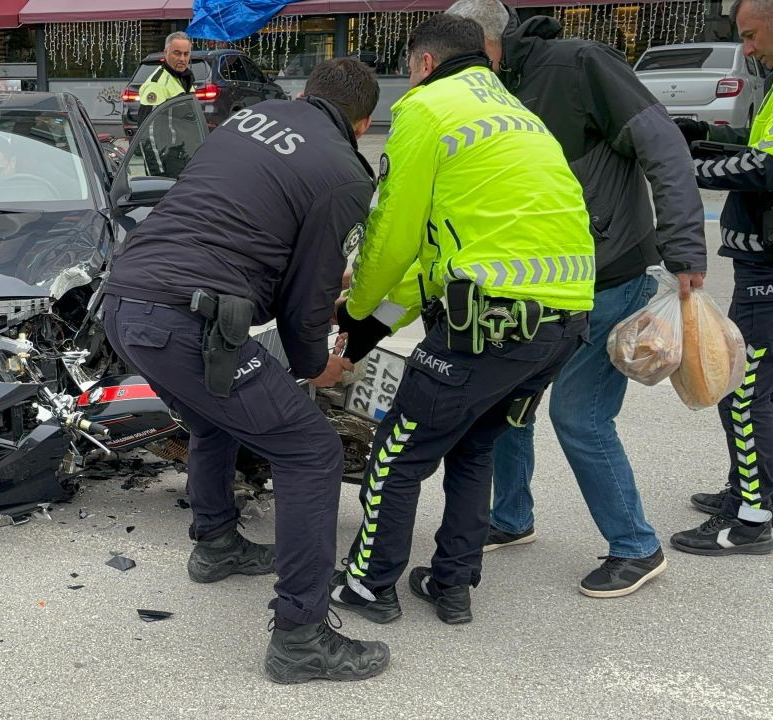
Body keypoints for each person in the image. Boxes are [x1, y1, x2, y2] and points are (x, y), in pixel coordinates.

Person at [102, 58, 387, 684]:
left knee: (214, 419)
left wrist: (315, 280)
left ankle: (216, 545)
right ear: (364, 124)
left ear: (307, 95)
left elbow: (242, 230)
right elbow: (304, 305)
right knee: (310, 451)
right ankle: (301, 637)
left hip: (125, 302)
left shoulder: (248, 119)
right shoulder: (345, 172)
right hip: (185, 321)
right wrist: (317, 366)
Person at [329, 15, 594, 627]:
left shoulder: (427, 109)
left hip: (491, 323)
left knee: (396, 452)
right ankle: (452, 585)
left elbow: (393, 236)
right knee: (474, 445)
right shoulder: (516, 114)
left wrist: (357, 307)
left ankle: (369, 585)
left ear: (424, 63)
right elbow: (437, 261)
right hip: (562, 322)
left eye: (407, 69)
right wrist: (372, 324)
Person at [447, 0, 708, 596]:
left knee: (579, 415)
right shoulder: (490, 87)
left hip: (608, 274)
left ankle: (636, 546)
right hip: (537, 285)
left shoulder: (580, 64)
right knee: (507, 402)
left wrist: (685, 250)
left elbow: (664, 147)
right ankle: (511, 518)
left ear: (487, 42)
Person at [671, 0, 773, 555]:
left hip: (767, 273)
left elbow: (765, 167)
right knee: (752, 389)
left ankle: (752, 517)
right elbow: (756, 147)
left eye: (752, 36)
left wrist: (689, 168)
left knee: (743, 392)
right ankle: (746, 490)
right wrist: (704, 134)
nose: (747, 49)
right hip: (758, 265)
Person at [138, 32, 194, 123]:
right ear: (166, 52)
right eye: (177, 53)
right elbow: (149, 127)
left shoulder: (184, 78)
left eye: (186, 54)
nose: (182, 59)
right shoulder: (156, 85)